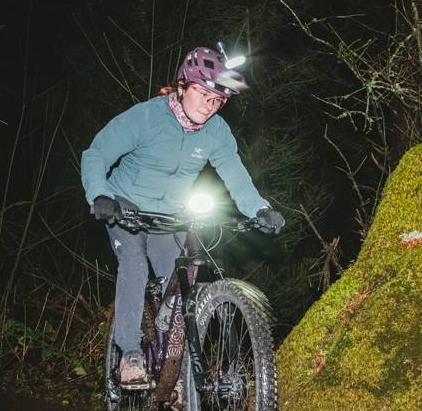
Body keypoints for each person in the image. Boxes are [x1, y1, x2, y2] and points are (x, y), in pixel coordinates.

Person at [81, 46, 284, 389]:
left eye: (217, 99)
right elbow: (96, 153)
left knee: (183, 278)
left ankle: (173, 368)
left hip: (170, 216)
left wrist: (261, 209)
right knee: (133, 263)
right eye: (203, 93)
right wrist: (100, 195)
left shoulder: (217, 133)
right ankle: (130, 352)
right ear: (181, 86)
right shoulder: (146, 117)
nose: (209, 104)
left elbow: (236, 177)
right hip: (125, 208)